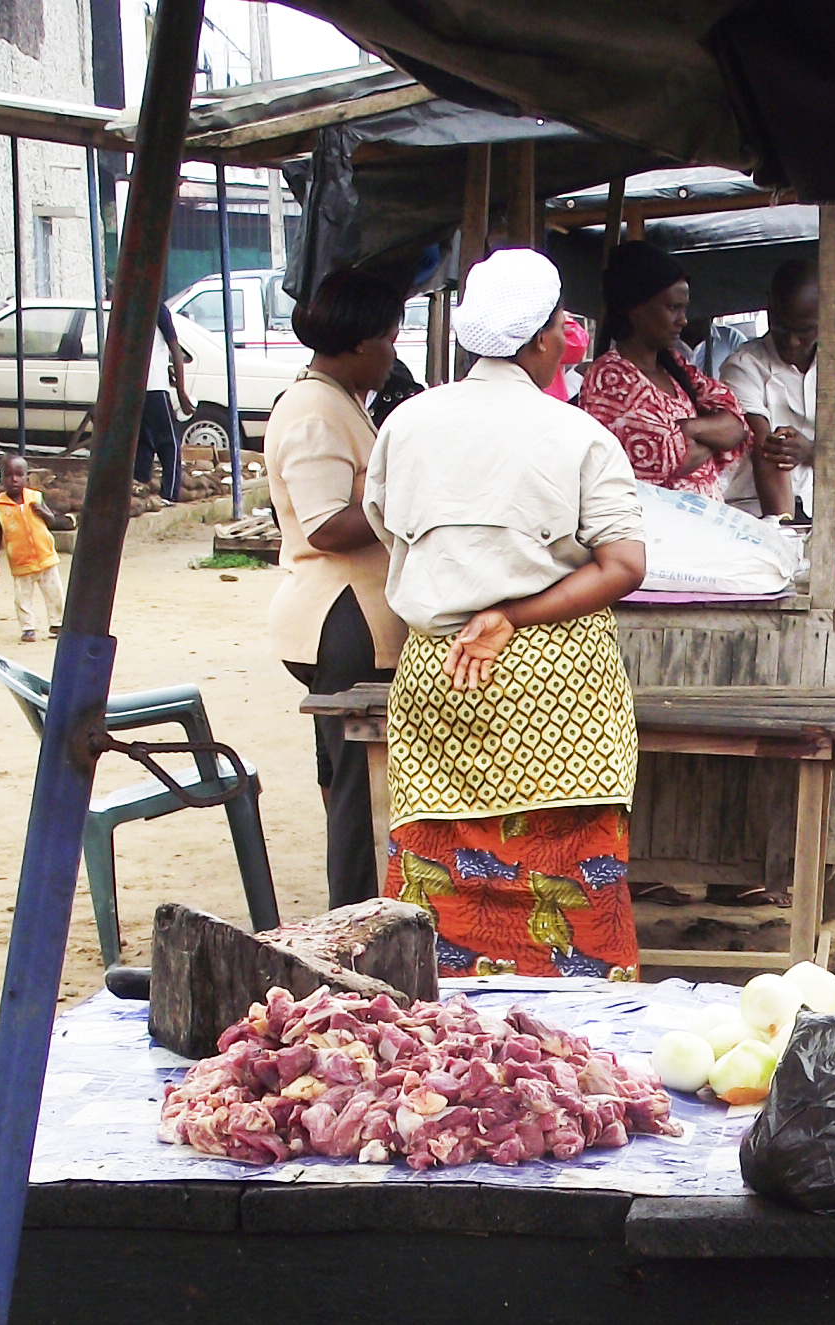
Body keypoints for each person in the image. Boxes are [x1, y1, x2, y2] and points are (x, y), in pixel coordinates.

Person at [365, 249, 649, 979]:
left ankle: (446, 1035)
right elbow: (623, 566)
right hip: (554, 685)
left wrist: (471, 589)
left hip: (441, 670)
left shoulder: (405, 424)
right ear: (543, 339)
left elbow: (389, 528)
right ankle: (582, 1031)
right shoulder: (579, 435)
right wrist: (514, 612)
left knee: (443, 870)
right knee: (570, 869)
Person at [267, 267, 409, 910]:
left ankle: (360, 910)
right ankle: (352, 922)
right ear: (358, 342)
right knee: (356, 788)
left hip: (354, 615)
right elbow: (325, 525)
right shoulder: (313, 409)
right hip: (341, 618)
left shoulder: (339, 398)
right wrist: (410, 509)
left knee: (354, 779)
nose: (394, 353)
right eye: (390, 338)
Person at [575, 240, 751, 496]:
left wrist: (688, 429)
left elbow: (737, 424)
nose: (683, 320)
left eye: (684, 308)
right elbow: (661, 460)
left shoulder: (676, 367)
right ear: (635, 308)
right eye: (672, 308)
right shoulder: (609, 379)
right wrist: (711, 437)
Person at [719, 260, 821, 519]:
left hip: (830, 511)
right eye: (781, 327)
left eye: (805, 331)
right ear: (769, 306)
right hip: (759, 512)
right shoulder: (743, 366)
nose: (792, 341)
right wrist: (784, 535)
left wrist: (813, 451)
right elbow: (765, 448)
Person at [0, 455, 67, 643]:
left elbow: (52, 520)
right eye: (9, 475)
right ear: (2, 478)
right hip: (20, 561)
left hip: (45, 556)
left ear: (27, 478)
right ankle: (28, 627)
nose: (14, 480)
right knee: (23, 598)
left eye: (19, 475)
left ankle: (57, 623)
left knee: (55, 593)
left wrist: (43, 512)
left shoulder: (35, 498)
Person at [133, 302, 191, 503]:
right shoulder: (157, 308)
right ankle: (169, 492)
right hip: (155, 386)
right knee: (169, 442)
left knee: (143, 440)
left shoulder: (129, 309)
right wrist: (182, 391)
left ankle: (140, 483)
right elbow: (175, 350)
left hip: (134, 388)